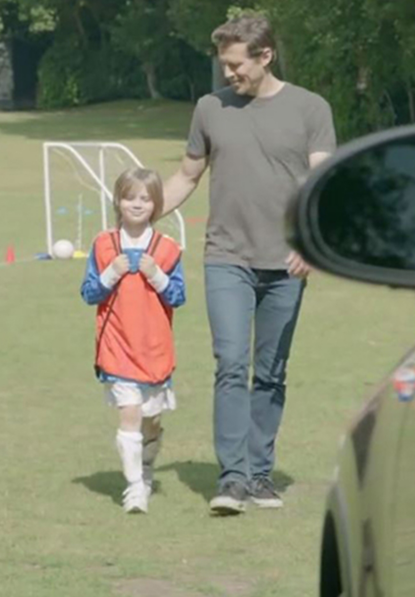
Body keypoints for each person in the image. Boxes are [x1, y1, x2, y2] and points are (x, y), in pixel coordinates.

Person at [161, 13, 336, 515]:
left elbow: (320, 187)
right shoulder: (209, 107)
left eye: (237, 65)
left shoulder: (310, 109)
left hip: (286, 263)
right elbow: (186, 177)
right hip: (226, 258)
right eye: (224, 65)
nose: (229, 74)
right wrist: (141, 215)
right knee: (231, 362)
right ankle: (233, 479)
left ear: (265, 56)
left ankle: (260, 475)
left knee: (272, 371)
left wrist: (310, 242)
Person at [81, 168, 186, 514]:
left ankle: (147, 463)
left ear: (156, 204)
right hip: (117, 347)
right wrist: (111, 272)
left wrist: (156, 275)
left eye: (144, 198)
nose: (136, 204)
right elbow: (89, 292)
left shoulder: (168, 249)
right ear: (118, 201)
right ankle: (135, 488)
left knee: (150, 420)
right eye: (130, 197)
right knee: (129, 413)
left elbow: (178, 296)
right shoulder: (103, 244)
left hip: (154, 350)